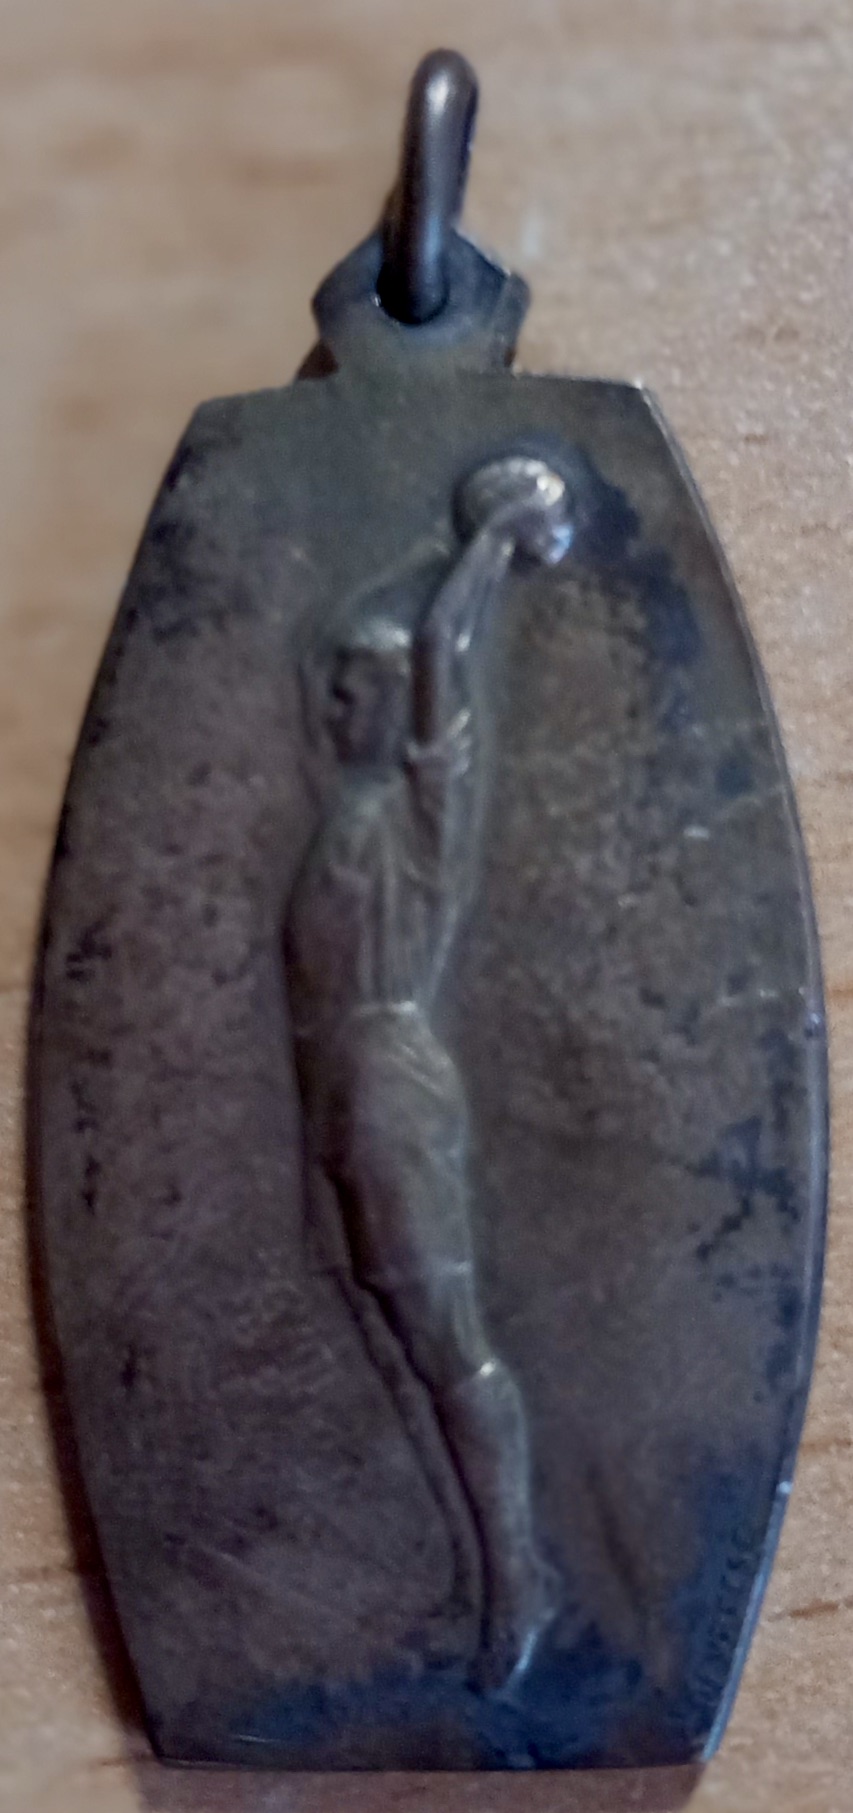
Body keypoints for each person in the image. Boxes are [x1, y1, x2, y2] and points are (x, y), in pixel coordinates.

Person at [284, 452, 575, 1689]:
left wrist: (492, 542)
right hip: (344, 1102)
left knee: (446, 1345)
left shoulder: (420, 813)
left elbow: (448, 654)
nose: (333, 706)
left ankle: (519, 1580)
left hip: (393, 1087)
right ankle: (485, 1560)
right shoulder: (345, 820)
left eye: (354, 684)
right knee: (405, 1342)